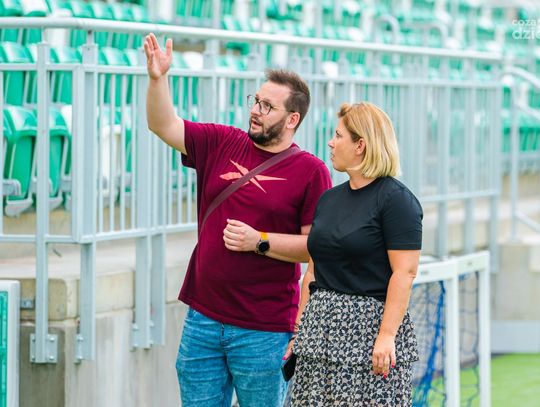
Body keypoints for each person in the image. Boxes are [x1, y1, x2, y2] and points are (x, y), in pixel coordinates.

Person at [143, 33, 332, 407]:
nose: (256, 110)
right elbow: (163, 125)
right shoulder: (221, 141)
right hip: (203, 318)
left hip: (264, 330)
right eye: (255, 101)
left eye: (268, 106)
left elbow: (316, 249)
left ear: (292, 119)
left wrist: (259, 241)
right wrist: (158, 79)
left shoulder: (311, 171)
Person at [285, 102, 423, 406]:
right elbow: (313, 271)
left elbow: (405, 272)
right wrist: (299, 332)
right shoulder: (328, 200)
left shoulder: (397, 201)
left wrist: (386, 335)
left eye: (338, 136)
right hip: (318, 334)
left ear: (360, 145)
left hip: (368, 337)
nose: (331, 143)